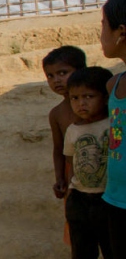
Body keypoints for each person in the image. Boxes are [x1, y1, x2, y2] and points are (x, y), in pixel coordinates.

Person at [62, 66, 112, 259]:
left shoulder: (113, 123)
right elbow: (71, 163)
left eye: (88, 97)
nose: (81, 103)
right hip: (80, 198)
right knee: (82, 254)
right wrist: (70, 195)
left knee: (114, 253)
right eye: (75, 98)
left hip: (109, 199)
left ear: (104, 97)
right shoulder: (72, 130)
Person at [99, 0, 126, 259]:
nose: (99, 34)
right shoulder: (113, 85)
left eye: (103, 25)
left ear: (121, 33)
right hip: (114, 197)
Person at [44, 46, 87, 201]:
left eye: (63, 73)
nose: (56, 80)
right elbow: (58, 149)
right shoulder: (56, 114)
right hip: (74, 177)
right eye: (50, 75)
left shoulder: (100, 103)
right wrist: (60, 178)